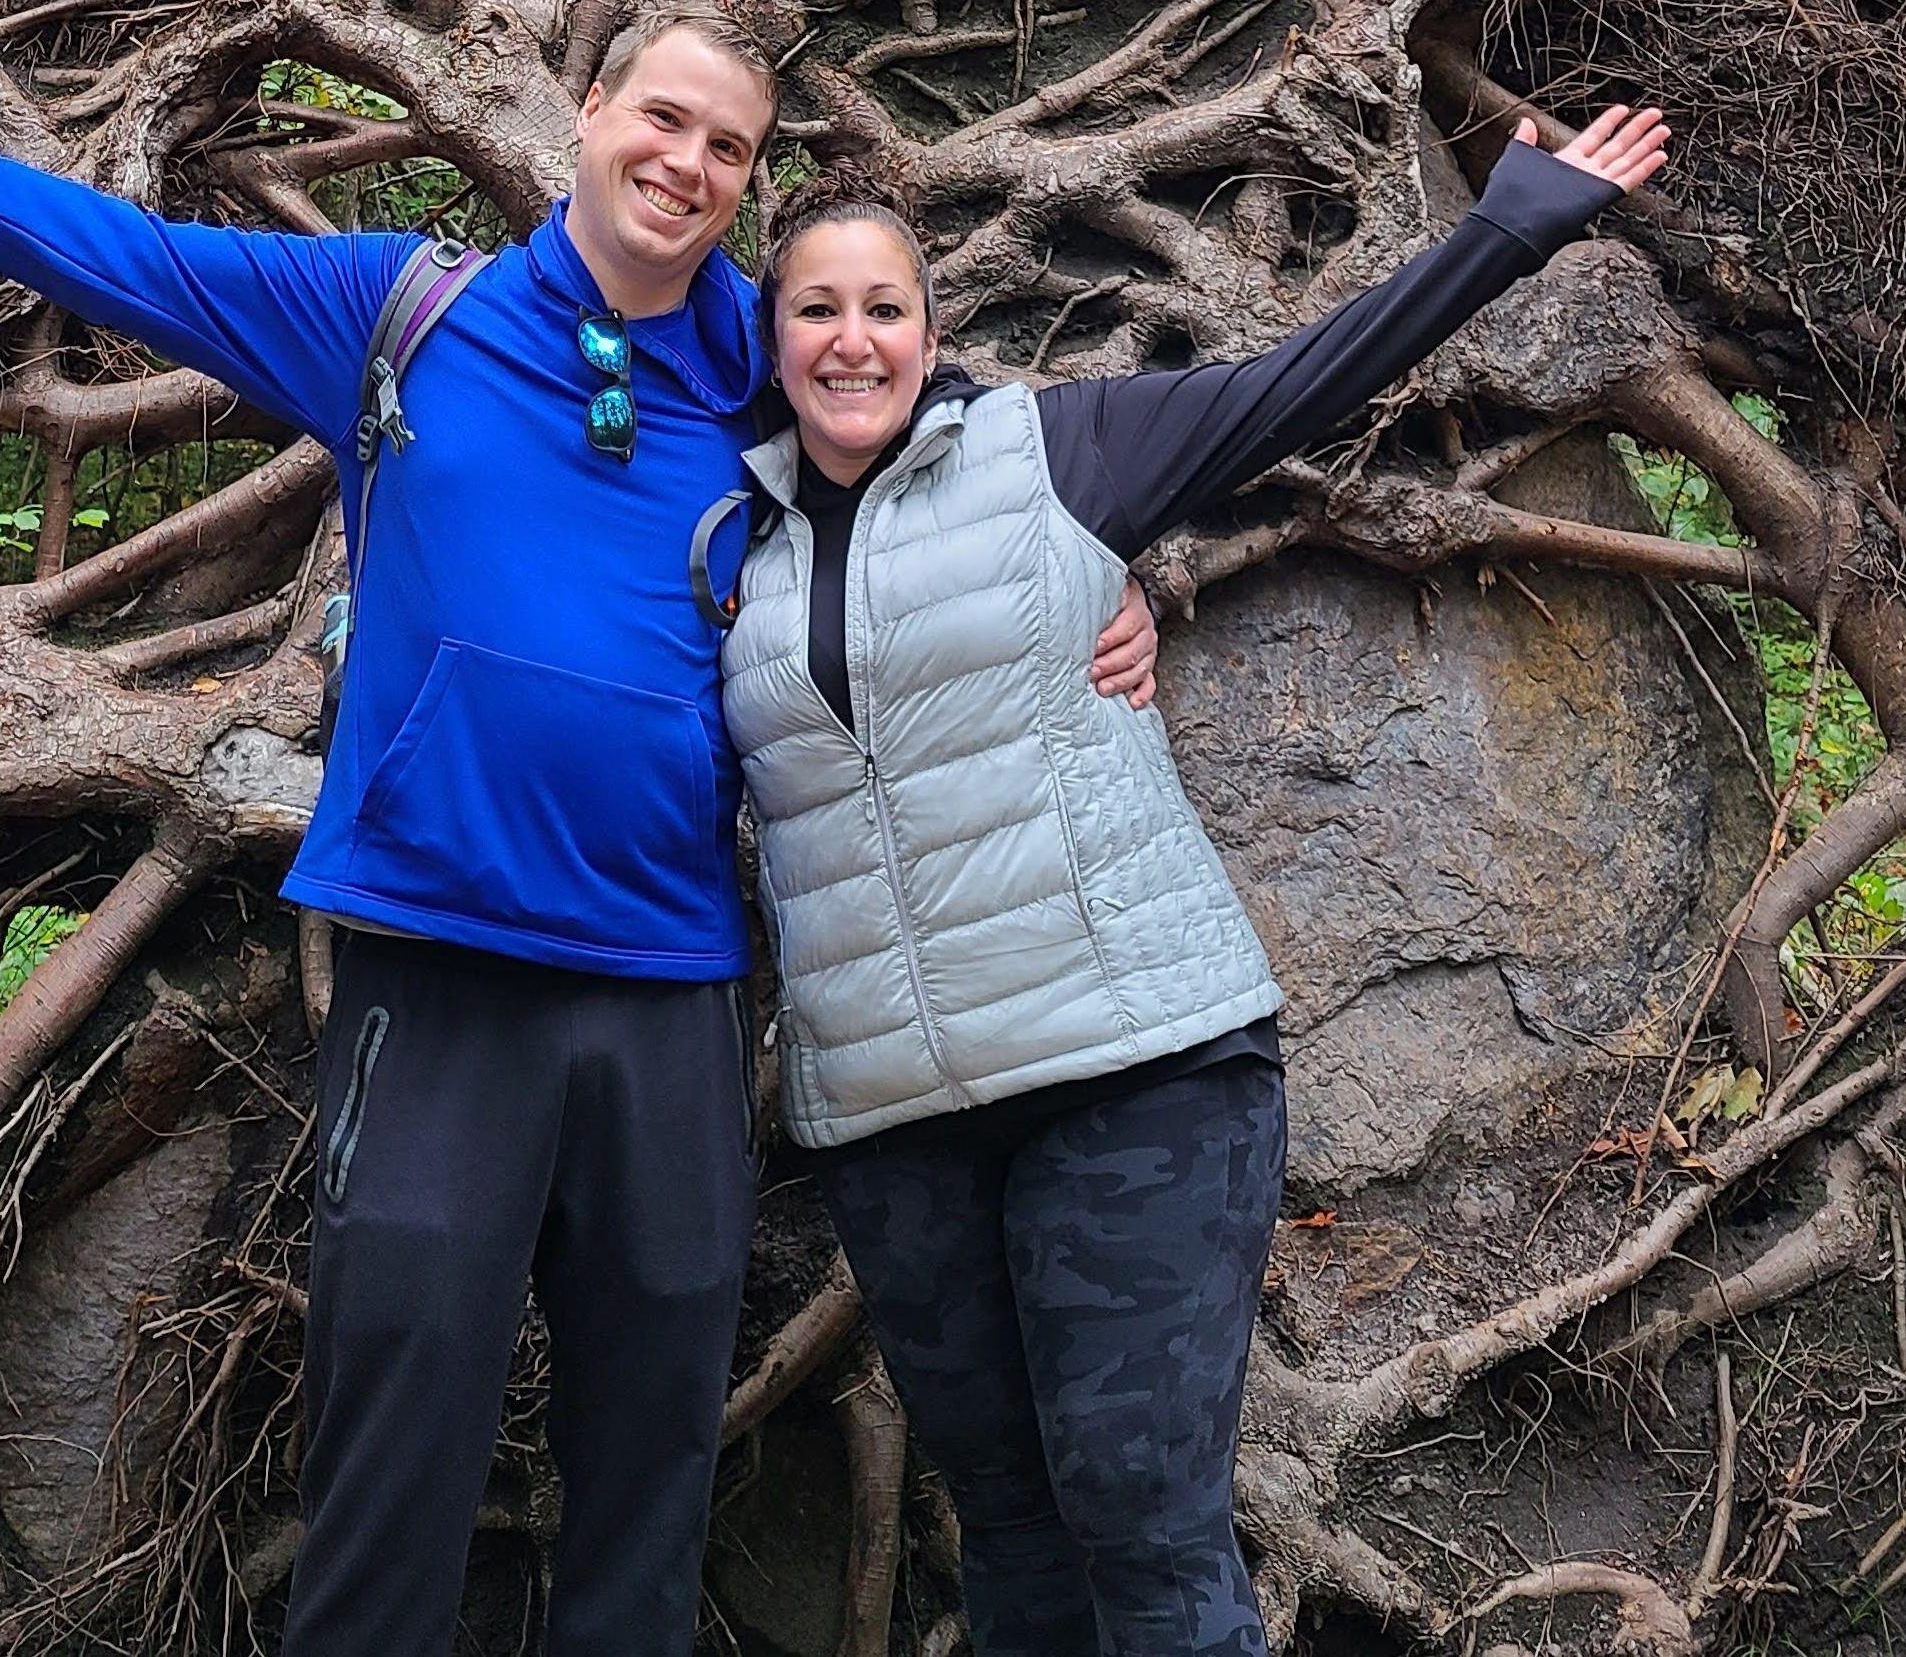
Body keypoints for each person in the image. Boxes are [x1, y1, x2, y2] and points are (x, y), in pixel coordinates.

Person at [0, 0, 1154, 1655]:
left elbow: (963, 457)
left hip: (674, 991)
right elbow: (130, 256)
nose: (689, 162)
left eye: (729, 146)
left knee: (648, 1481)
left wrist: (1119, 586)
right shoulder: (397, 312)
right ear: (589, 116)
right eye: (664, 119)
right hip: (437, 969)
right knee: (392, 1464)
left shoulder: (767, 384)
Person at [711, 103, 1672, 1657]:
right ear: (768, 340)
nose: (850, 339)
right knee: (1012, 1545)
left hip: (1129, 1075)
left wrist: (1513, 222)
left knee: (1146, 1533)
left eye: (882, 305)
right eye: (814, 308)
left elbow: (1302, 381)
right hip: (896, 1126)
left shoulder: (1058, 450)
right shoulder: (725, 542)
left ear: (930, 325)